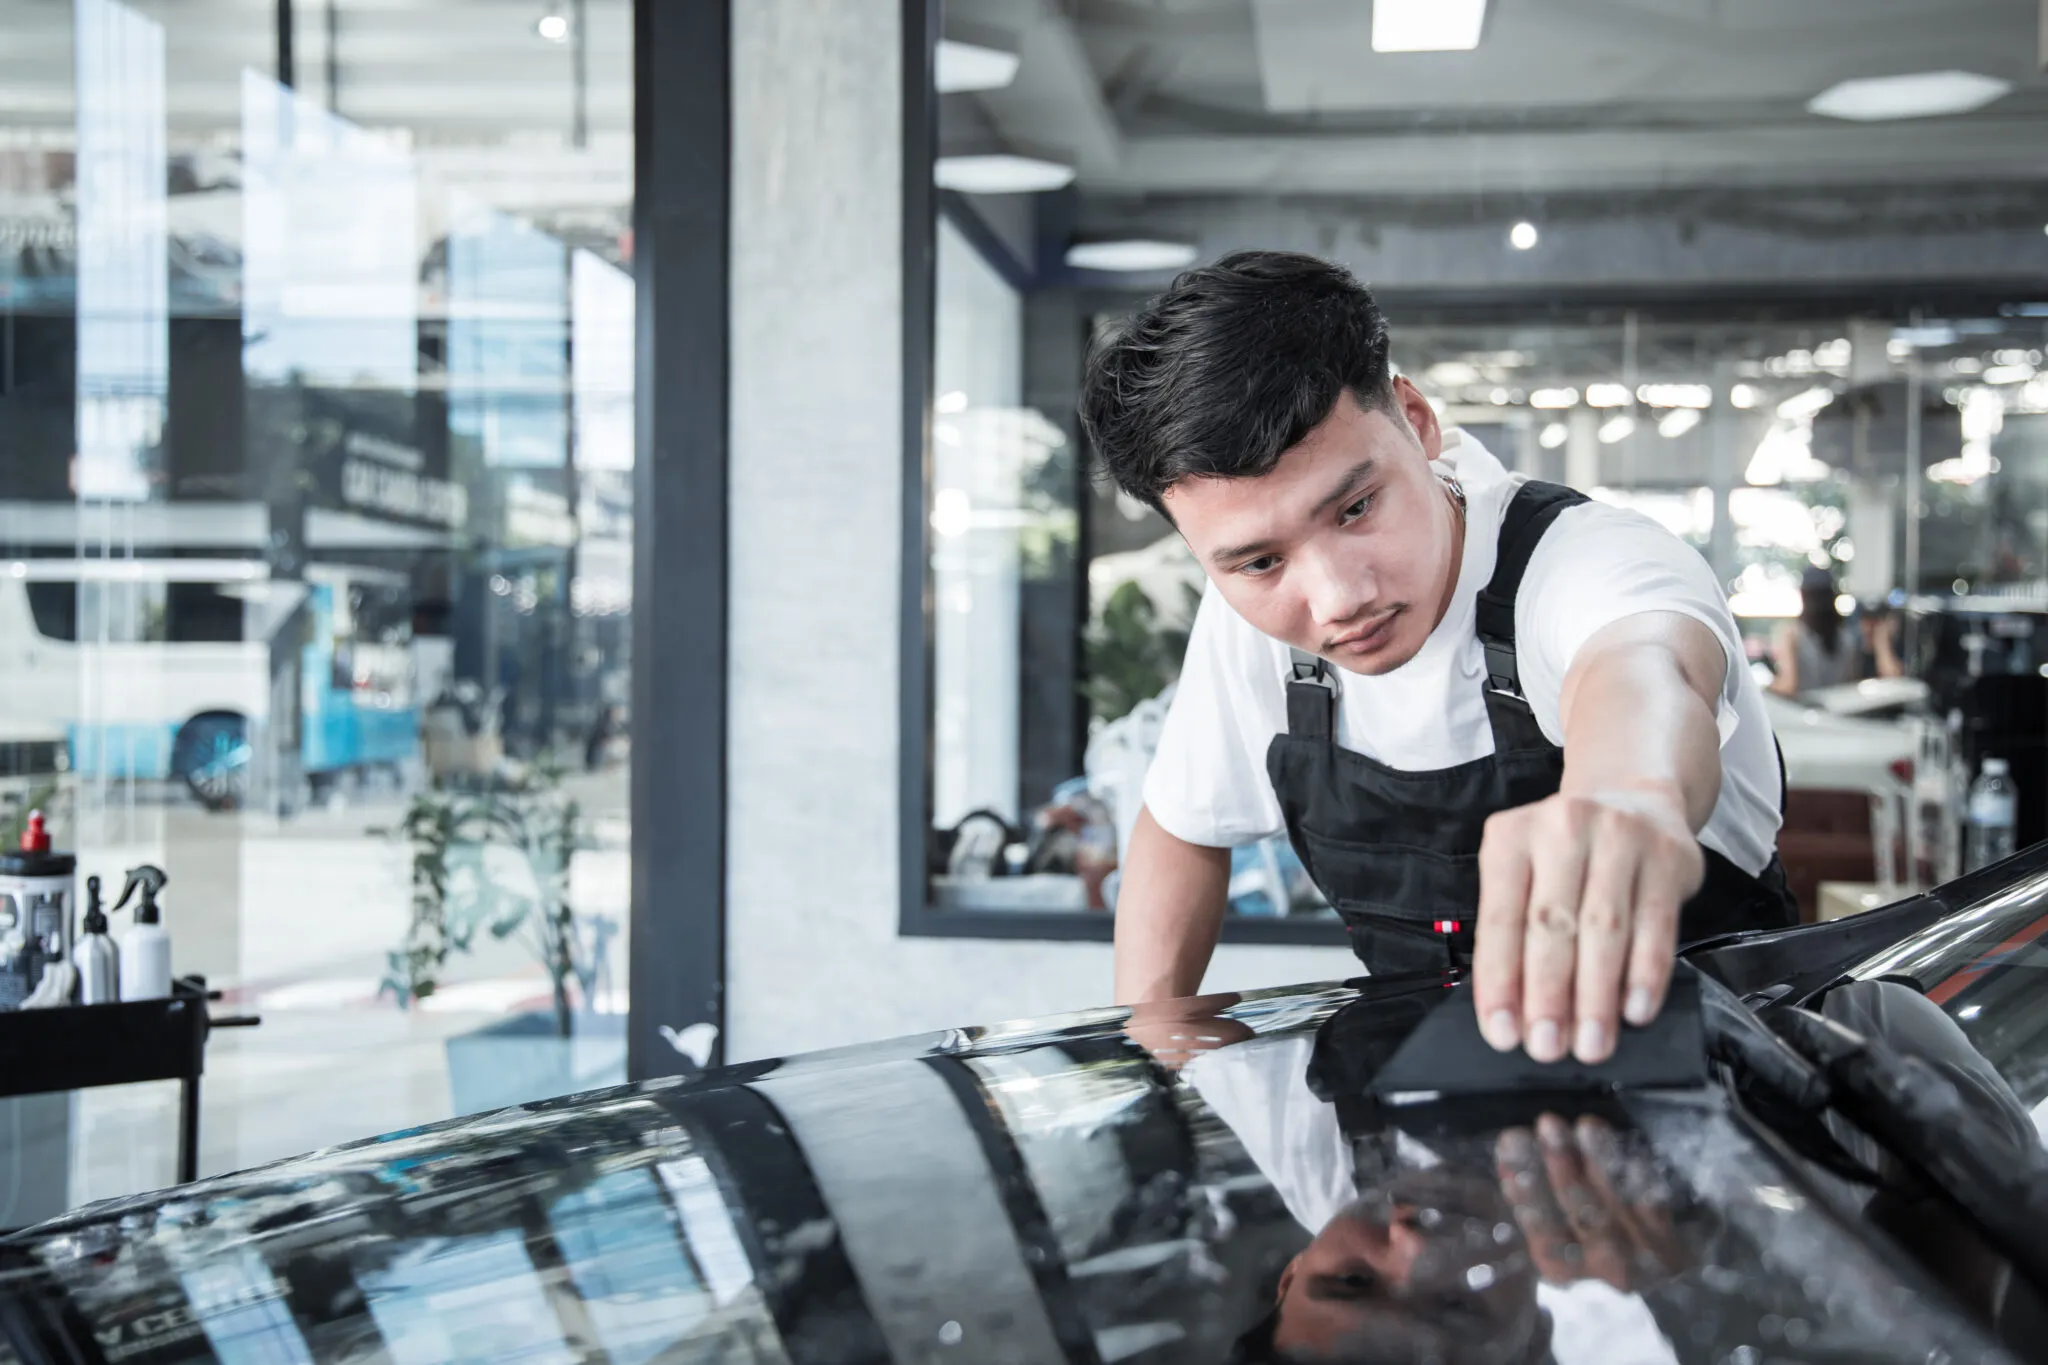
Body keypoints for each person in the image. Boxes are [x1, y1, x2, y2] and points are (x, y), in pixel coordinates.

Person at [1079, 251, 1796, 1067]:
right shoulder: (1248, 616)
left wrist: (1631, 800)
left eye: (1355, 507)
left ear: (1416, 421)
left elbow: (1647, 670)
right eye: (1258, 562)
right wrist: (1155, 1066)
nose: (1338, 596)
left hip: (1721, 1101)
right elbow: (1183, 826)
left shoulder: (1591, 563)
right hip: (1429, 1125)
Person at [1768, 566, 1896, 697]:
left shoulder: (1791, 634)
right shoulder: (1847, 637)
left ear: (1803, 595)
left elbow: (1788, 685)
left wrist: (1764, 690)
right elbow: (1853, 683)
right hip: (1840, 712)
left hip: (1805, 713)